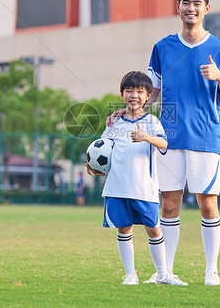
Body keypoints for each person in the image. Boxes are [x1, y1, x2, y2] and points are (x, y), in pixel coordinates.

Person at [108, 0, 220, 285]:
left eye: (197, 3)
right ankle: (165, 273)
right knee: (169, 203)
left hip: (206, 137)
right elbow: (150, 94)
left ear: (206, 8)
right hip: (167, 137)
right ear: (178, 6)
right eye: (186, 2)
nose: (191, 8)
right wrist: (126, 112)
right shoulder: (162, 47)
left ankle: (212, 271)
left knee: (208, 202)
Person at [87, 71, 186, 286]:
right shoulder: (113, 123)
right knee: (124, 229)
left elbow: (165, 144)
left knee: (154, 229)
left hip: (144, 188)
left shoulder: (151, 121)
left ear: (149, 96)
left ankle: (163, 274)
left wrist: (146, 137)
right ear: (122, 94)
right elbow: (104, 152)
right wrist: (95, 168)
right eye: (129, 90)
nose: (134, 95)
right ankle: (130, 274)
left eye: (140, 91)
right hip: (117, 188)